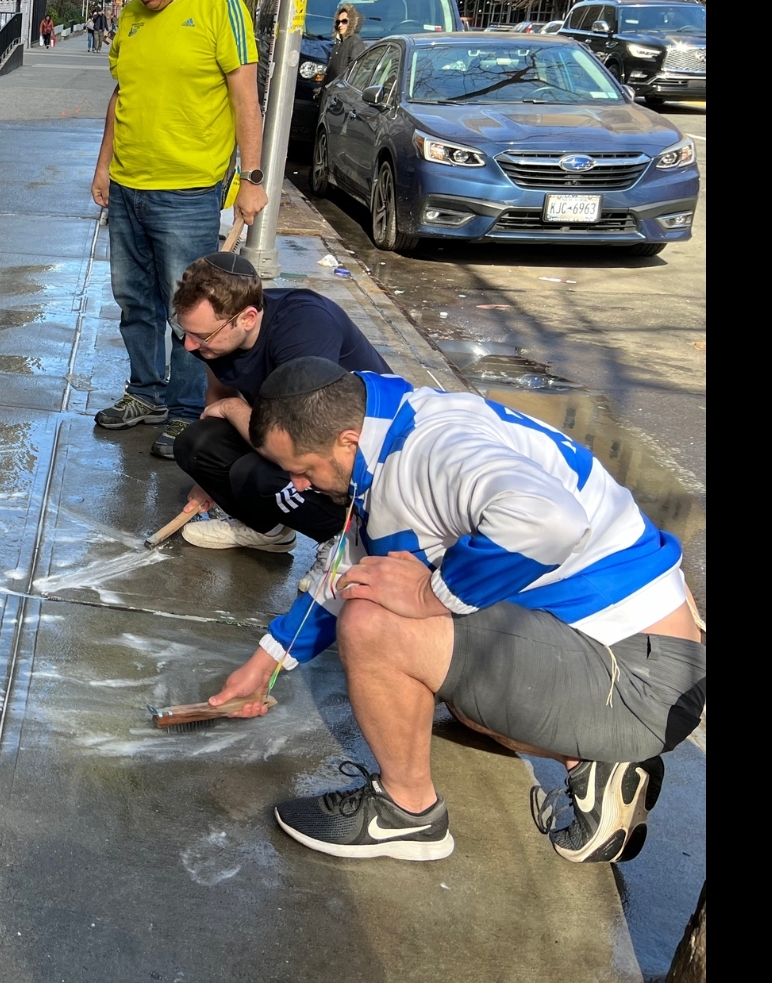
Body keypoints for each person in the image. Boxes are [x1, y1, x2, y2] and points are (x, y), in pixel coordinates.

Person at [209, 359, 705, 866]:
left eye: (304, 469)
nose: (301, 485)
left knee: (372, 622)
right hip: (626, 658)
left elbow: (550, 520)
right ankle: (598, 763)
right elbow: (354, 563)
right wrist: (265, 665)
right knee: (453, 697)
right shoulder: (395, 430)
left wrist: (429, 593)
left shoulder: (432, 451)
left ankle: (407, 816)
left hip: (641, 681)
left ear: (347, 440)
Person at [91, 0, 267, 451]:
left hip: (189, 190)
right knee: (133, 298)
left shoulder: (221, 8)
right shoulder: (131, 17)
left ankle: (189, 410)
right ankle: (146, 391)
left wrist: (251, 179)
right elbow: (122, 95)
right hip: (128, 186)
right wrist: (104, 166)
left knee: (190, 310)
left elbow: (245, 99)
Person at [163, 253, 388, 553]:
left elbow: (298, 441)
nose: (189, 345)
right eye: (186, 331)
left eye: (201, 336)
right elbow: (218, 396)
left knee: (255, 475)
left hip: (356, 457)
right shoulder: (216, 336)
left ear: (247, 318)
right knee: (195, 445)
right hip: (287, 430)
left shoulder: (304, 327)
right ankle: (267, 530)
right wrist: (209, 480)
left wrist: (234, 409)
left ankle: (347, 544)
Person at [319, 2, 367, 91]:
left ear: (352, 22)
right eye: (338, 22)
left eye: (344, 21)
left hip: (341, 95)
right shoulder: (339, 43)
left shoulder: (355, 42)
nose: (340, 25)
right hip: (330, 93)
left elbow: (355, 73)